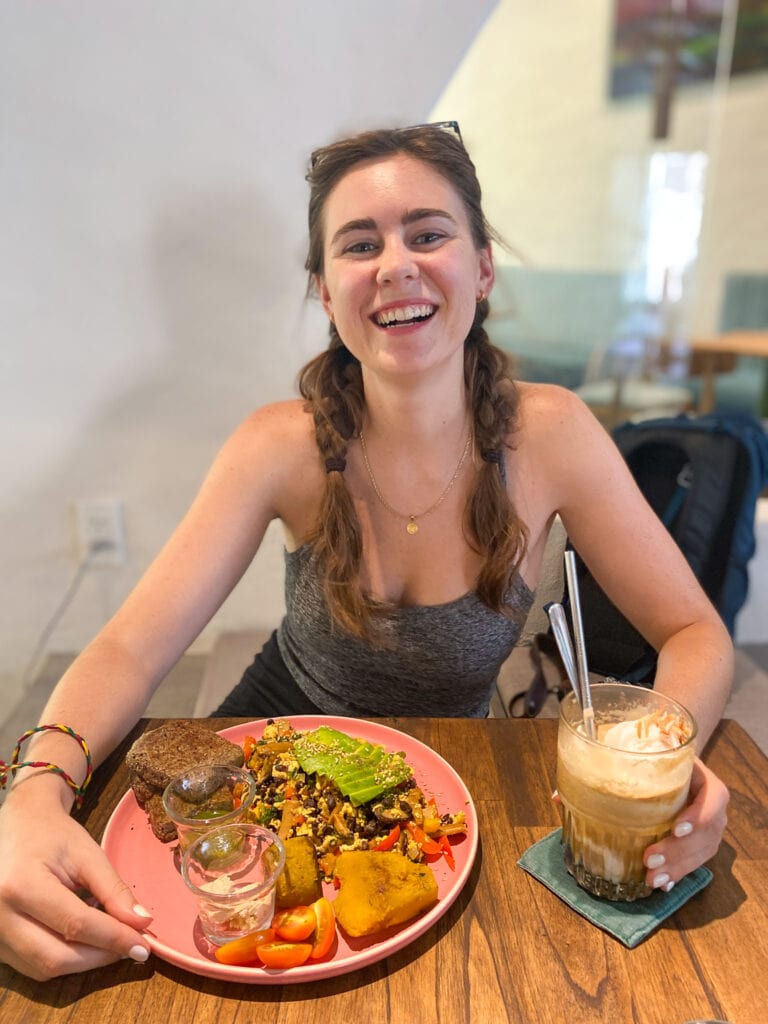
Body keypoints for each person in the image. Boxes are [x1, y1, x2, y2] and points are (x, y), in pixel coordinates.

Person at [0, 122, 732, 980]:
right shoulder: (278, 446)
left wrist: (665, 772)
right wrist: (33, 791)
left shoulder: (554, 434)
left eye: (428, 233)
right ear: (324, 288)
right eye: (359, 244)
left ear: (483, 267)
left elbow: (694, 632)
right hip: (265, 765)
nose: (395, 264)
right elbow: (129, 646)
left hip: (437, 791)